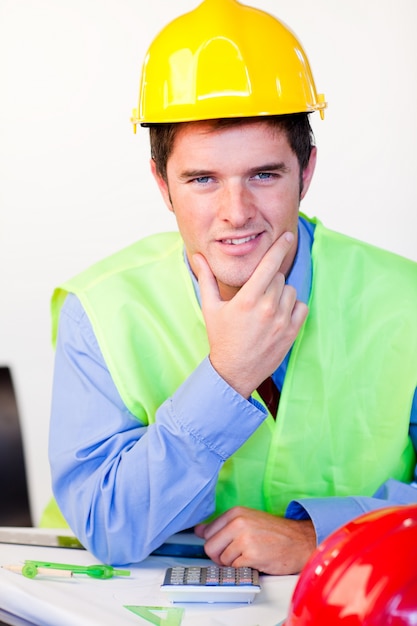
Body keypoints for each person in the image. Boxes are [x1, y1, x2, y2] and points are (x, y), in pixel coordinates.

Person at [43, 0, 417, 574]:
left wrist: (319, 537)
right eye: (202, 180)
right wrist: (228, 377)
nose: (236, 213)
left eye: (264, 174)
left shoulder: (406, 299)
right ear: (162, 184)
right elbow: (106, 525)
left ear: (307, 171)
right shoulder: (101, 310)